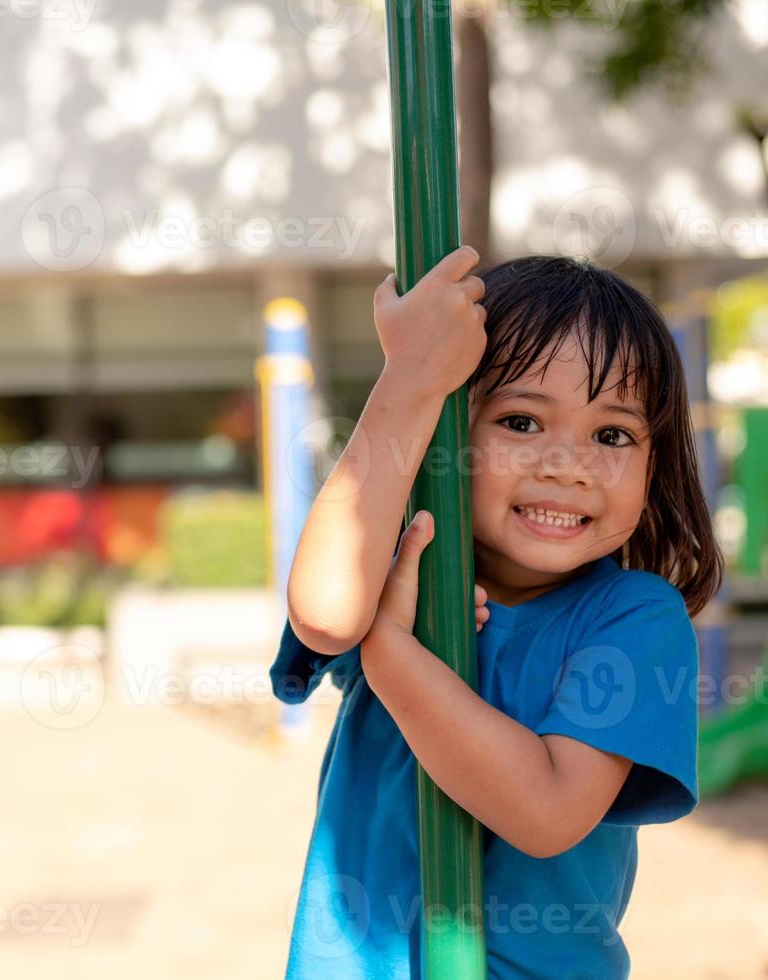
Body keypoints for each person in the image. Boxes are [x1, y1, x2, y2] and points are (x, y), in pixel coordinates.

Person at [272, 247, 724, 978]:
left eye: (612, 435)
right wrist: (409, 381)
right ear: (448, 437)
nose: (567, 464)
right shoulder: (400, 577)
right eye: (520, 421)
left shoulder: (633, 619)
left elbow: (545, 811)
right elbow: (325, 616)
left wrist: (393, 656)